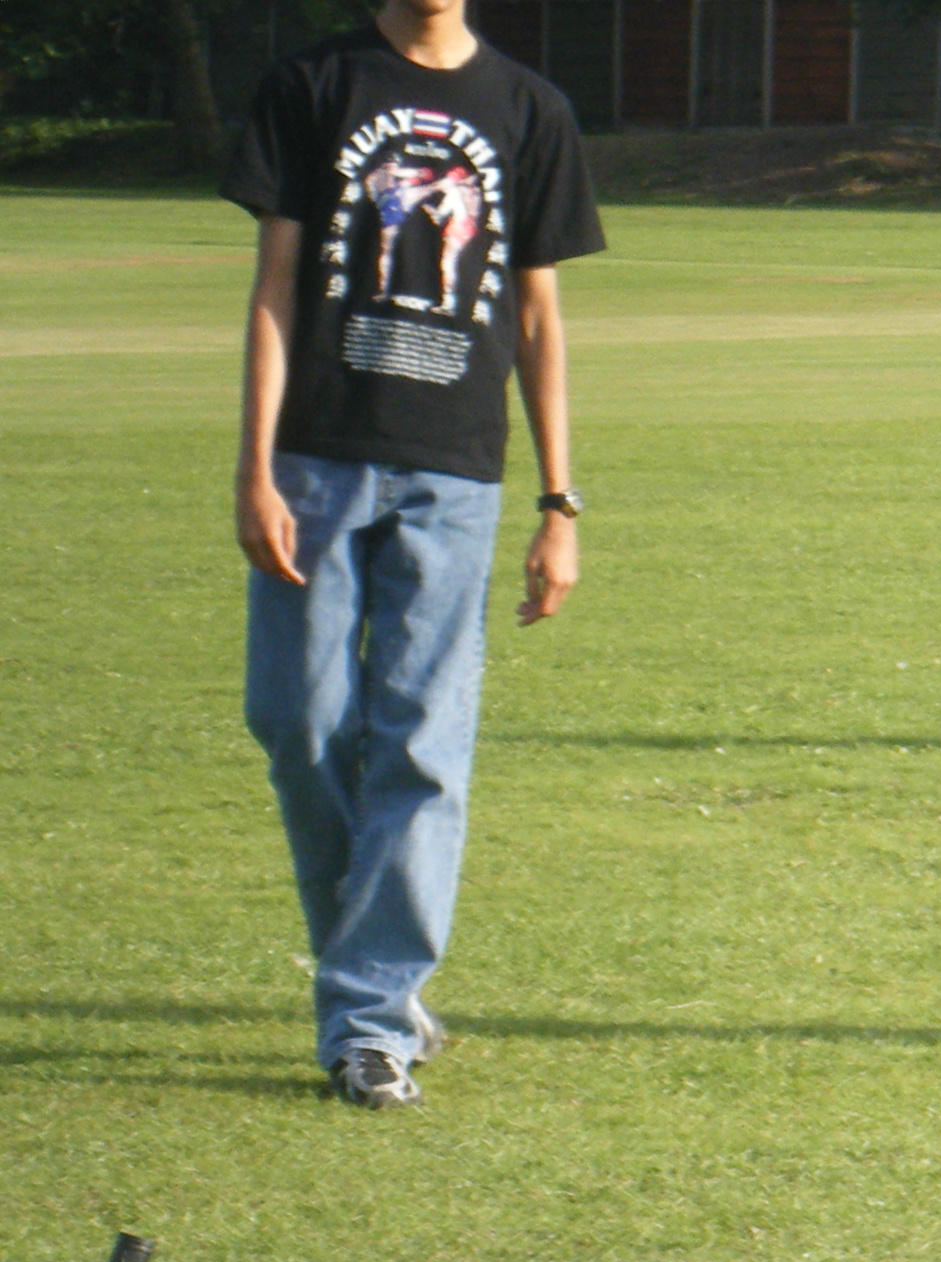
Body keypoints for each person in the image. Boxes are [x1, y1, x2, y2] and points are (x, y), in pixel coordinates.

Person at [224, 0, 600, 1110]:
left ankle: (371, 1021)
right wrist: (254, 467)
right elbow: (276, 288)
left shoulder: (529, 108)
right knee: (296, 721)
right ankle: (372, 974)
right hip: (314, 462)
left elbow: (538, 316)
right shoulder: (313, 86)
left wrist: (560, 502)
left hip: (456, 472)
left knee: (422, 748)